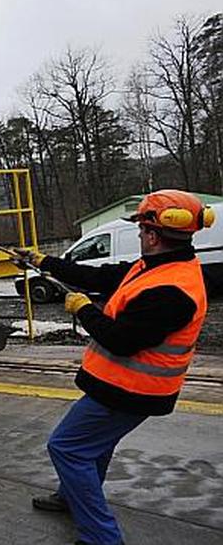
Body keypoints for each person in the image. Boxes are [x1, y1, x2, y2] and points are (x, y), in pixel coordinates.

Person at [13, 190, 215, 545]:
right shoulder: (156, 267)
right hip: (121, 385)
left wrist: (81, 309)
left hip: (130, 392)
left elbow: (120, 340)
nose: (138, 235)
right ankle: (70, 497)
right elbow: (99, 277)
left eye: (140, 230)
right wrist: (42, 261)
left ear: (153, 236)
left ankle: (101, 538)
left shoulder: (172, 290)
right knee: (94, 446)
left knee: (67, 448)